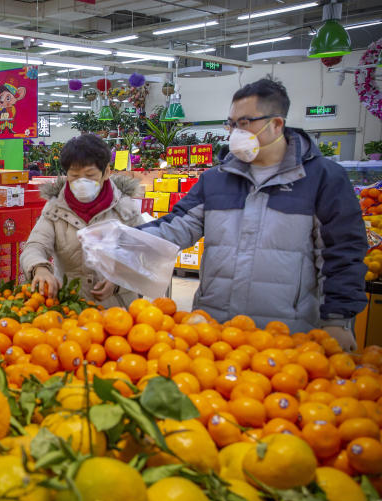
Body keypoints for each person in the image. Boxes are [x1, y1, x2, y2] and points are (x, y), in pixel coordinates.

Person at [137, 77, 367, 347]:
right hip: (215, 333)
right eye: (231, 123)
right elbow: (175, 227)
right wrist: (119, 239)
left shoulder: (322, 179)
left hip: (287, 337)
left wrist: (337, 320)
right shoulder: (216, 179)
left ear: (276, 124)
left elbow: (342, 253)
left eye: (244, 123)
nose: (234, 132)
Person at [20, 133, 145, 308]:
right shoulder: (55, 208)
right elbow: (35, 246)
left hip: (118, 312)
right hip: (71, 308)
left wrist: (118, 280)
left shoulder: (125, 209)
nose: (82, 182)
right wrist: (39, 268)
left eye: (90, 175)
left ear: (106, 172)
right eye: (74, 176)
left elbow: (143, 254)